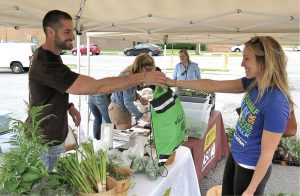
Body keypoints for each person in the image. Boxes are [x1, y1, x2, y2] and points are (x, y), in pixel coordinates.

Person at [28, 10, 166, 171]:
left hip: (53, 138)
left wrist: (69, 106)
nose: (72, 37)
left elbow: (48, 90)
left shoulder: (51, 57)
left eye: (72, 31)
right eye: (67, 32)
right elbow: (96, 87)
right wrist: (143, 77)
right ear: (50, 32)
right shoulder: (45, 64)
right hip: (43, 142)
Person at [166, 36, 294, 196]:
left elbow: (267, 154)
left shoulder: (276, 101)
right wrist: (175, 83)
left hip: (250, 168)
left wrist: (251, 190)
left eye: (247, 59)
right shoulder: (254, 83)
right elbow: (213, 85)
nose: (242, 64)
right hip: (236, 156)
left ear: (265, 61)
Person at [108, 53, 155, 130]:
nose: (148, 73)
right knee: (124, 138)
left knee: (127, 136)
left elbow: (129, 92)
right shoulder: (129, 76)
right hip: (119, 109)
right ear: (140, 66)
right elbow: (128, 102)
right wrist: (141, 116)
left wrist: (139, 98)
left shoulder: (133, 73)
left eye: (150, 70)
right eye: (147, 70)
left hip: (121, 108)